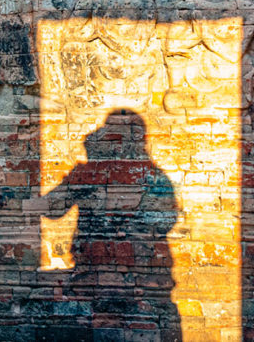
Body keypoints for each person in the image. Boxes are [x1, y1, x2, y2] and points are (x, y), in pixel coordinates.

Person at [43, 110, 182, 340]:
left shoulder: (151, 176)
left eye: (122, 135)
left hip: (141, 283)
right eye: (112, 135)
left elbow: (165, 220)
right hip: (96, 281)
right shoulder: (89, 174)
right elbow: (51, 209)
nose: (117, 141)